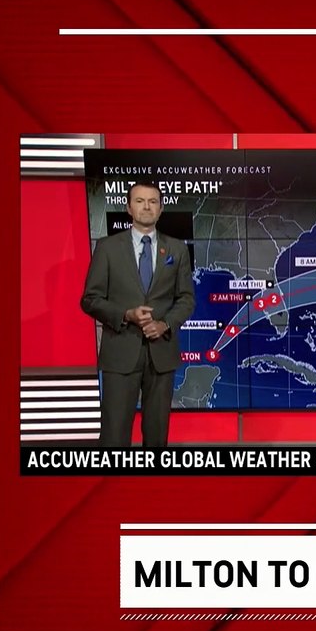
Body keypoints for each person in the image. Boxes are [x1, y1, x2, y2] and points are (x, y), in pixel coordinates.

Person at [81, 180, 195, 447]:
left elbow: (186, 298)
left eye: (153, 201)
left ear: (161, 208)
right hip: (120, 354)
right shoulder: (108, 247)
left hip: (161, 355)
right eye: (140, 201)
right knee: (114, 436)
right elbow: (90, 299)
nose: (147, 207)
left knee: (157, 437)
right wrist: (126, 314)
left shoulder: (176, 249)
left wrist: (165, 324)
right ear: (129, 208)